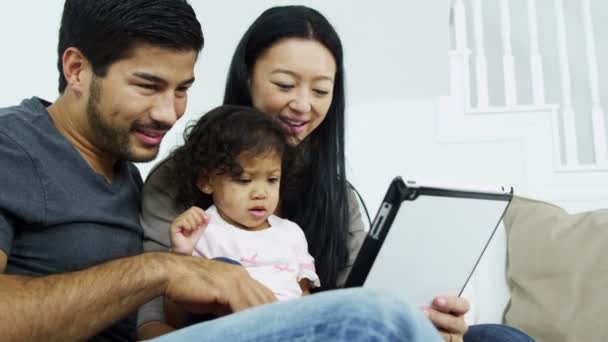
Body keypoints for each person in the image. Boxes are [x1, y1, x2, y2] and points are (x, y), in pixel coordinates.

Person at [0, 1, 444, 341]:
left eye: (183, 89)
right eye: (148, 86)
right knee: (376, 319)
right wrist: (164, 270)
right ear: (76, 69)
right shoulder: (11, 147)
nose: (168, 112)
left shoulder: (121, 168)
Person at [138, 5, 534, 342]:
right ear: (247, 77)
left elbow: (360, 306)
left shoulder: (335, 196)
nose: (302, 105)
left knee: (498, 337)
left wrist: (426, 318)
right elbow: (150, 324)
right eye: (284, 84)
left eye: (321, 90)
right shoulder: (178, 180)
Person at [165, 105, 321, 327]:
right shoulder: (201, 232)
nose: (260, 193)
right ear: (206, 181)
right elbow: (176, 319)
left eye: (272, 180)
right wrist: (180, 254)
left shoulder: (291, 233)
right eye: (244, 180)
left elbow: (304, 298)